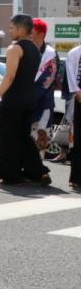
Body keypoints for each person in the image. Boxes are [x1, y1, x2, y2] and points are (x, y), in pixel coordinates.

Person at [0, 14, 52, 187]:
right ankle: (38, 172)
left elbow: (9, 76)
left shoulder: (14, 48)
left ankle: (11, 176)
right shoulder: (34, 49)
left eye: (12, 28)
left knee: (9, 138)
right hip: (28, 99)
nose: (9, 31)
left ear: (21, 29)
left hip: (14, 98)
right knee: (23, 137)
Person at [29, 19, 57, 146]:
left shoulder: (50, 54)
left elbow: (48, 80)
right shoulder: (25, 50)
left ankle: (38, 164)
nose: (29, 34)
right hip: (26, 102)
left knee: (41, 138)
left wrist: (28, 96)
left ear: (40, 34)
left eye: (31, 31)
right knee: (26, 139)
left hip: (43, 101)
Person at [66, 42, 81, 190]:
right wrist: (77, 92)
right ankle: (76, 178)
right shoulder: (75, 52)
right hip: (78, 99)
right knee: (77, 140)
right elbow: (71, 76)